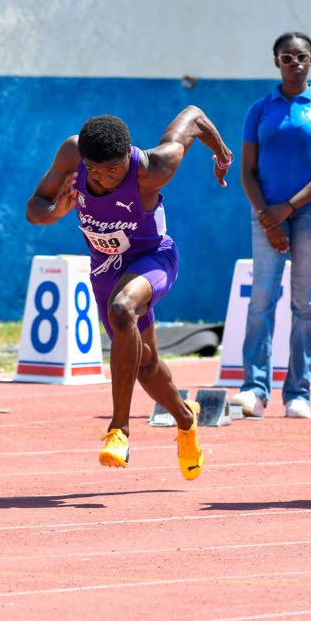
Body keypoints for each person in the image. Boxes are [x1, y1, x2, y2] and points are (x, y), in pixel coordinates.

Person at [25, 107, 233, 479]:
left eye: (113, 171)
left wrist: (221, 153)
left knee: (122, 310)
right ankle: (186, 419)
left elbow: (195, 117)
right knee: (146, 365)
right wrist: (57, 211)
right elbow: (34, 210)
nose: (103, 179)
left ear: (128, 156)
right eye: (96, 170)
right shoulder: (72, 153)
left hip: (153, 258)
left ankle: (119, 429)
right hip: (106, 267)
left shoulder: (155, 167)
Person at [230, 32, 311, 420]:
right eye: (286, 57)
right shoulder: (260, 110)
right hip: (265, 214)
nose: (294, 63)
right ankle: (254, 389)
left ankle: (298, 392)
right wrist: (267, 215)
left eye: (301, 57)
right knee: (261, 300)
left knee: (304, 304)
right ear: (276, 62)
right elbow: (246, 172)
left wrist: (288, 208)